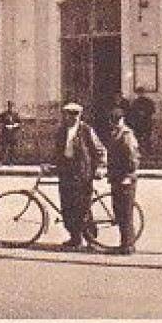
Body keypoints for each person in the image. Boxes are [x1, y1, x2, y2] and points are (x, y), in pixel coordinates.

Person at [51, 101, 107, 250]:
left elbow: (100, 149)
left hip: (82, 173)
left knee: (83, 207)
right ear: (65, 116)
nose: (73, 117)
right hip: (66, 172)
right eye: (70, 114)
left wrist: (100, 167)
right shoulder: (61, 131)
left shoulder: (86, 130)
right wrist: (52, 166)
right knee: (67, 206)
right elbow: (57, 151)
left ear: (80, 116)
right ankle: (74, 237)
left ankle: (90, 239)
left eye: (76, 114)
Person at [106, 107, 142, 254]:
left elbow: (133, 157)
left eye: (117, 120)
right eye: (113, 121)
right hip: (116, 177)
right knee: (119, 212)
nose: (115, 124)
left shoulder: (127, 135)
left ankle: (128, 245)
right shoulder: (116, 133)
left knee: (126, 213)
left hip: (125, 178)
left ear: (122, 120)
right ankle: (124, 243)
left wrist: (129, 175)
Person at [128, 89, 156, 155]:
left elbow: (153, 110)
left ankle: (148, 150)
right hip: (138, 122)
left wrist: (145, 113)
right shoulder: (135, 102)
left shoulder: (148, 101)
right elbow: (132, 112)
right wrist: (137, 114)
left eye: (142, 93)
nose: (140, 94)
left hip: (147, 121)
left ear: (144, 93)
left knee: (147, 137)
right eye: (139, 93)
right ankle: (139, 150)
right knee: (138, 137)